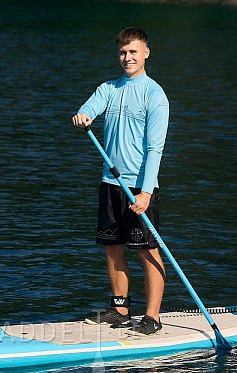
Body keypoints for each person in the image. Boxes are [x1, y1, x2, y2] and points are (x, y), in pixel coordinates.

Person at [72, 27, 169, 335]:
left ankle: (152, 316)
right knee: (112, 248)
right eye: (123, 53)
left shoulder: (155, 95)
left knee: (146, 251)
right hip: (110, 184)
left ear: (146, 53)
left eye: (133, 52)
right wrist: (83, 115)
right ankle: (120, 310)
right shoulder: (109, 89)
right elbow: (90, 107)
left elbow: (155, 148)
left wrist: (146, 191)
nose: (127, 58)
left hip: (139, 189)